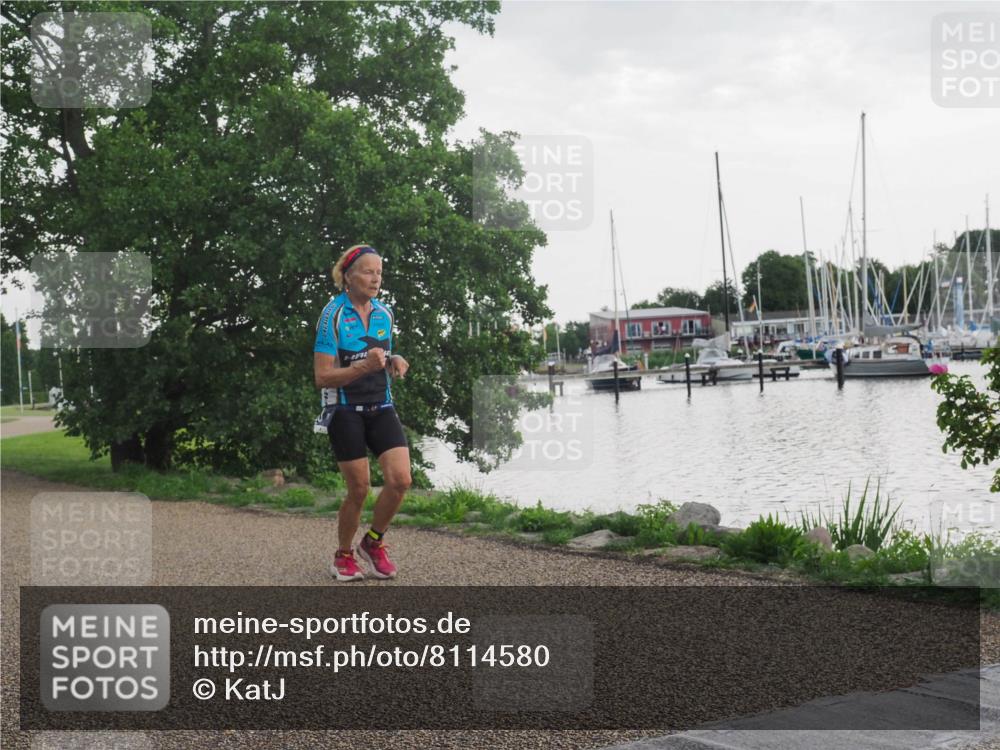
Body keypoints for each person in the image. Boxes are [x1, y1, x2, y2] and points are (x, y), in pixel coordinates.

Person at [313, 244, 411, 582]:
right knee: (359, 490)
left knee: (400, 480)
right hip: (343, 408)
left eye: (379, 273)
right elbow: (322, 376)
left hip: (380, 405)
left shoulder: (385, 314)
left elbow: (383, 352)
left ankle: (373, 542)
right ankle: (343, 555)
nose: (376, 279)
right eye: (368, 272)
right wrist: (364, 367)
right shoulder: (332, 316)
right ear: (348, 276)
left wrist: (393, 360)